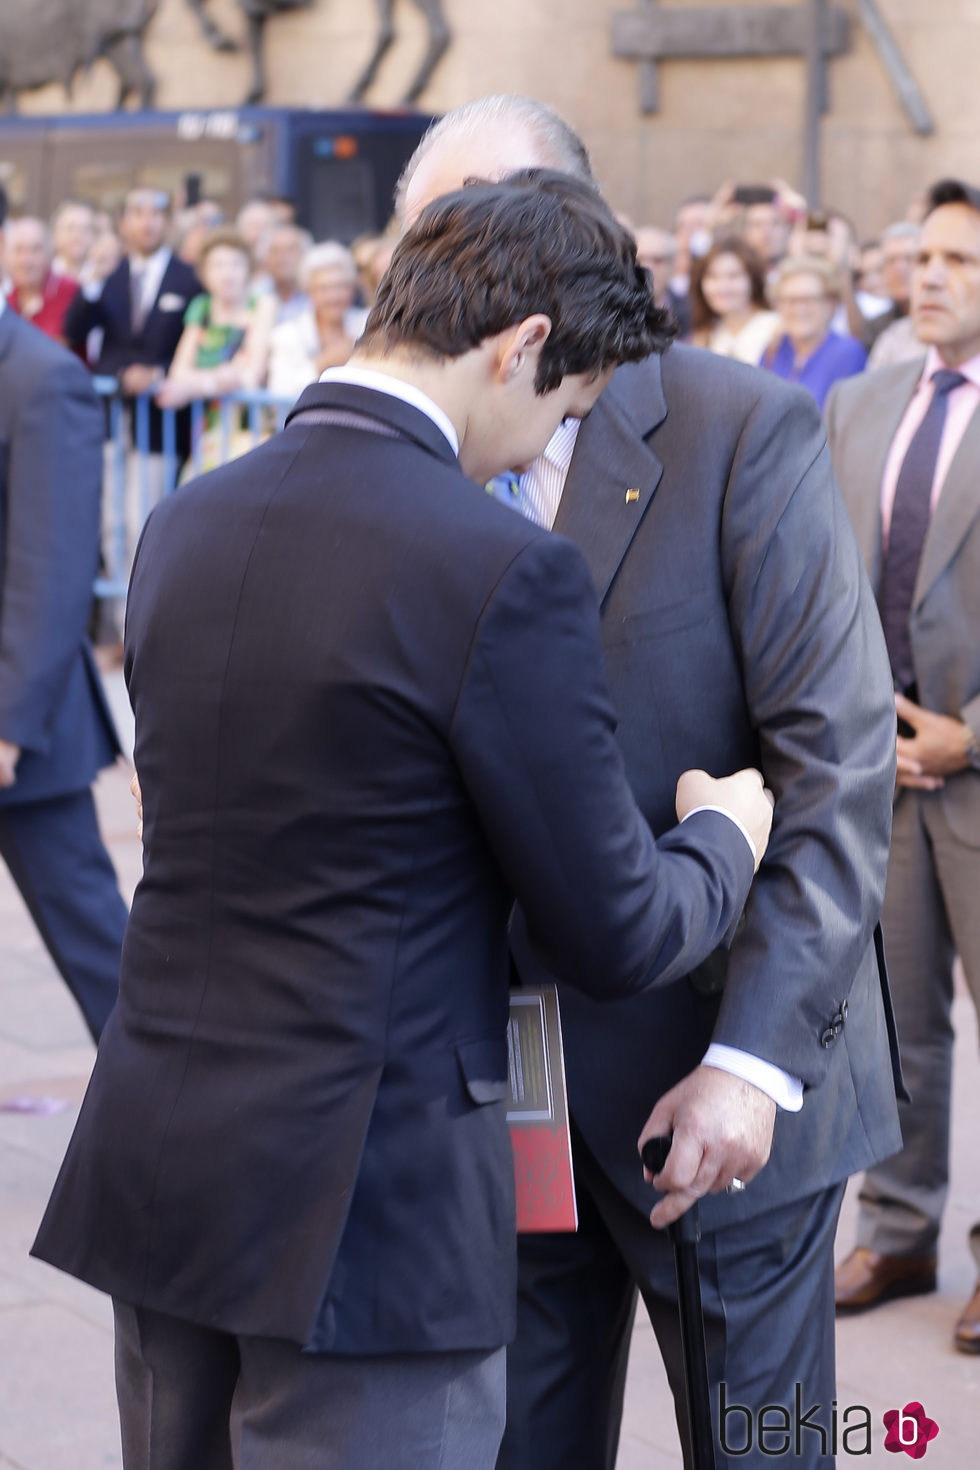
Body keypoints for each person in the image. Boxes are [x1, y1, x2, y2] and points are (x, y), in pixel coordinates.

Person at [32, 169, 776, 1470]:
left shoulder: (187, 525)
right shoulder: (494, 563)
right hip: (367, 1202)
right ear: (523, 346)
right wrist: (725, 835)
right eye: (563, 411)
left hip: (165, 1155)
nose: (546, 445)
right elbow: (615, 925)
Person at [397, 94, 902, 1470]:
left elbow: (838, 763)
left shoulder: (743, 431)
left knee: (761, 1447)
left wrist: (748, 1064)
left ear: (586, 237)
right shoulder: (406, 461)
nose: (459, 263)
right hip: (505, 1089)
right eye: (430, 233)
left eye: (494, 221)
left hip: (719, 1084)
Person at [827, 177, 980, 1356]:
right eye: (923, 256)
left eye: (960, 262)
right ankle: (898, 1224)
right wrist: (860, 721)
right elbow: (826, 578)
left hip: (972, 761)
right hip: (878, 766)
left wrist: (968, 729)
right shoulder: (860, 402)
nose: (929, 276)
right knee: (895, 1023)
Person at [0, 203, 127, 1044]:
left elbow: (50, 567)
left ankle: (176, 1129)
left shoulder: (45, 377)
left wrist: (8, 724)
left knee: (98, 951)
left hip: (22, 726)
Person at [762, 255, 867, 408]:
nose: (799, 309)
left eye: (809, 299)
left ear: (830, 304)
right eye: (790, 300)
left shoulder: (848, 353)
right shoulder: (774, 349)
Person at [267, 240, 359, 399]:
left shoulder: (368, 324)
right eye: (324, 288)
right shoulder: (287, 334)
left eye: (340, 286)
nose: (333, 296)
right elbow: (279, 392)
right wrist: (322, 363)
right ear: (309, 291)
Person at [689, 236, 780, 363]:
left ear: (752, 280)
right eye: (713, 277)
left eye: (733, 275)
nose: (723, 287)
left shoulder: (775, 328)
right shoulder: (708, 336)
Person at [4, 216, 78, 344]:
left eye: (35, 250)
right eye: (19, 250)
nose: (26, 260)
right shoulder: (5, 296)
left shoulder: (70, 291)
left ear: (50, 253)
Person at [634, 226, 691, 336]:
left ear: (672, 266)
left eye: (658, 260)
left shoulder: (690, 312)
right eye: (639, 259)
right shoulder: (612, 313)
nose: (648, 267)